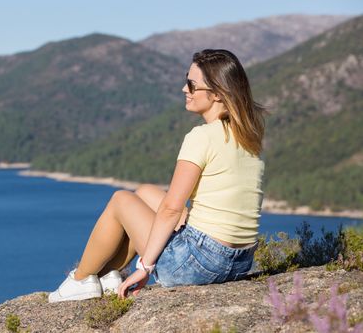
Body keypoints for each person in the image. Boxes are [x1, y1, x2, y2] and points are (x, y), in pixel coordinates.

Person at [48, 49, 266, 303]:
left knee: (121, 200)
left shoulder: (201, 137)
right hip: (240, 262)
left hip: (197, 264)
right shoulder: (248, 137)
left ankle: (81, 280)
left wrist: (145, 268)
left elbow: (172, 210)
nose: (184, 89)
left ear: (217, 93)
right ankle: (110, 275)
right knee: (144, 193)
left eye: (192, 85)